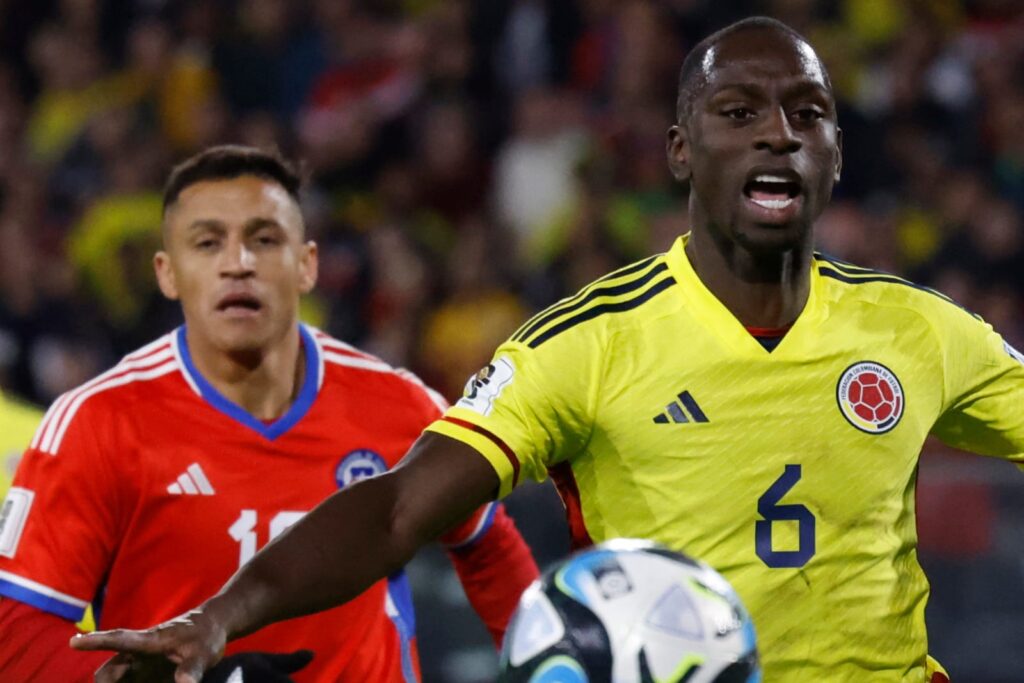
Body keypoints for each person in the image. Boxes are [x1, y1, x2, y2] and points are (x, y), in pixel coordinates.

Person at [73, 17, 1023, 682]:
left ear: (836, 152)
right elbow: (400, 505)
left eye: (807, 113)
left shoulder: (918, 330)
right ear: (682, 149)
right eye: (739, 112)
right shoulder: (591, 341)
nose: (779, 132)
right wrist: (219, 616)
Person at [0, 145, 538, 681]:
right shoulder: (99, 423)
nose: (239, 264)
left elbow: (487, 547)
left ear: (307, 265)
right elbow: (19, 636)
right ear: (167, 273)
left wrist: (546, 669)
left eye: (263, 239)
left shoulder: (399, 404)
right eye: (208, 243)